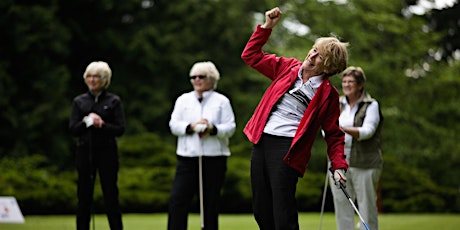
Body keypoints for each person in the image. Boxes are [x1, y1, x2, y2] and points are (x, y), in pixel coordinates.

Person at [241, 7, 349, 230]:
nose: (311, 55)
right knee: (261, 210)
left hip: (287, 150)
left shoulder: (329, 96)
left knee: (283, 212)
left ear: (328, 66)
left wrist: (339, 165)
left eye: (319, 56)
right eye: (313, 49)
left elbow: (334, 134)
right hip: (261, 141)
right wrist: (267, 27)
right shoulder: (287, 67)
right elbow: (250, 56)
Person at [167, 61, 236, 230]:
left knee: (210, 203)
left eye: (201, 76)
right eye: (193, 77)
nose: (196, 80)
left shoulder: (222, 101)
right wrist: (190, 127)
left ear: (211, 79)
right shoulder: (183, 100)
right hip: (187, 157)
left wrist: (212, 128)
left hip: (214, 158)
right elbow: (174, 125)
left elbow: (230, 127)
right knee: (178, 200)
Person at [69, 61, 125, 230]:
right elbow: (73, 128)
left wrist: (102, 125)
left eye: (96, 77)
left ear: (104, 80)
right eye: (89, 77)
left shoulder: (114, 101)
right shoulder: (79, 101)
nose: (92, 80)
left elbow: (120, 129)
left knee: (110, 195)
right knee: (84, 196)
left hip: (107, 152)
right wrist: (87, 121)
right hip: (85, 151)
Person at [330, 66, 383, 230]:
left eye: (350, 81)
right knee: (342, 207)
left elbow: (367, 132)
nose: (346, 84)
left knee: (367, 208)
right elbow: (326, 131)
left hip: (365, 163)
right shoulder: (336, 103)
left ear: (360, 85)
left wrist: (339, 128)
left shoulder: (371, 105)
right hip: (339, 162)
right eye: (344, 81)